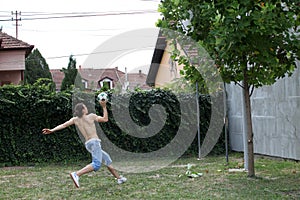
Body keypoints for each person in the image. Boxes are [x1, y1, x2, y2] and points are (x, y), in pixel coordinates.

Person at [42, 100, 127, 188]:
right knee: (96, 164)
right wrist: (104, 107)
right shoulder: (91, 116)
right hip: (94, 142)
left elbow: (63, 125)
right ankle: (76, 174)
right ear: (83, 110)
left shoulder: (75, 119)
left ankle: (119, 178)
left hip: (88, 144)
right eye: (85, 107)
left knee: (107, 159)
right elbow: (105, 119)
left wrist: (52, 130)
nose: (87, 108)